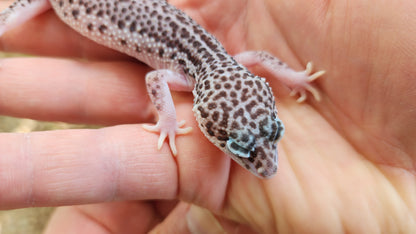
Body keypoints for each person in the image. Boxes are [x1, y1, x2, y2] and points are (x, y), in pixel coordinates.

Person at [0, 0, 415, 233]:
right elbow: (156, 79)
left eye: (270, 133)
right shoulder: (193, 74)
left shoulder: (229, 64)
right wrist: (166, 119)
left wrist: (292, 76)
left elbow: (257, 59)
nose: (266, 161)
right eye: (242, 148)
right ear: (200, 109)